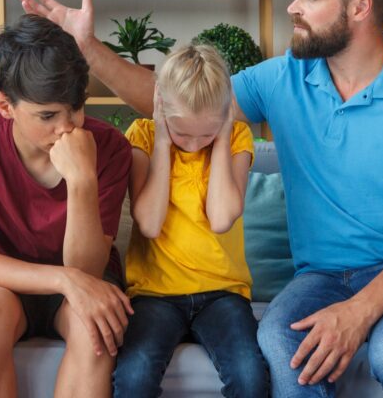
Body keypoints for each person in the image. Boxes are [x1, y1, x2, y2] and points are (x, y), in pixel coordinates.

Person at [18, 0, 383, 397]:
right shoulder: (283, 78)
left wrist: (361, 310)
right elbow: (182, 105)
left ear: (359, 8)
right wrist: (88, 46)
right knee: (281, 343)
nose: (292, 7)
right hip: (320, 276)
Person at [0, 14, 133, 398]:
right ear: (4, 105)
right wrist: (61, 278)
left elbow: (86, 270)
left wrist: (82, 180)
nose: (68, 127)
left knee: (95, 327)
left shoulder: (108, 146)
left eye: (76, 108)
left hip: (84, 276)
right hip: (2, 279)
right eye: (47, 116)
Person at [113, 44, 268, 397]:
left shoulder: (236, 139)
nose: (196, 144)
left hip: (222, 294)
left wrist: (224, 135)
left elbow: (221, 219)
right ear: (161, 111)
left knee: (250, 376)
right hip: (154, 295)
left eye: (206, 134)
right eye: (184, 133)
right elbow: (149, 224)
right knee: (133, 377)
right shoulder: (144, 136)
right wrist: (165, 141)